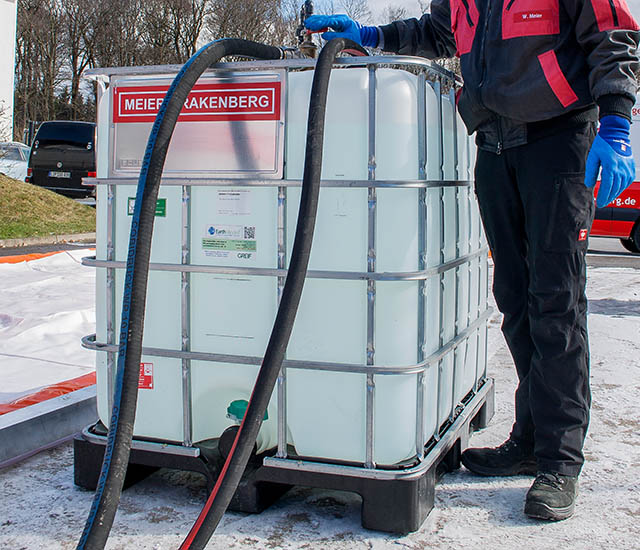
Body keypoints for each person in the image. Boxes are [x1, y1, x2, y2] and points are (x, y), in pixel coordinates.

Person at [306, 1, 639, 521]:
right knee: (515, 300)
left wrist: (617, 121)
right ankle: (530, 440)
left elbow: (611, 33)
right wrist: (370, 34)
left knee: (556, 304)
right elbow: (435, 33)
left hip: (559, 142)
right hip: (495, 148)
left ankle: (559, 460)